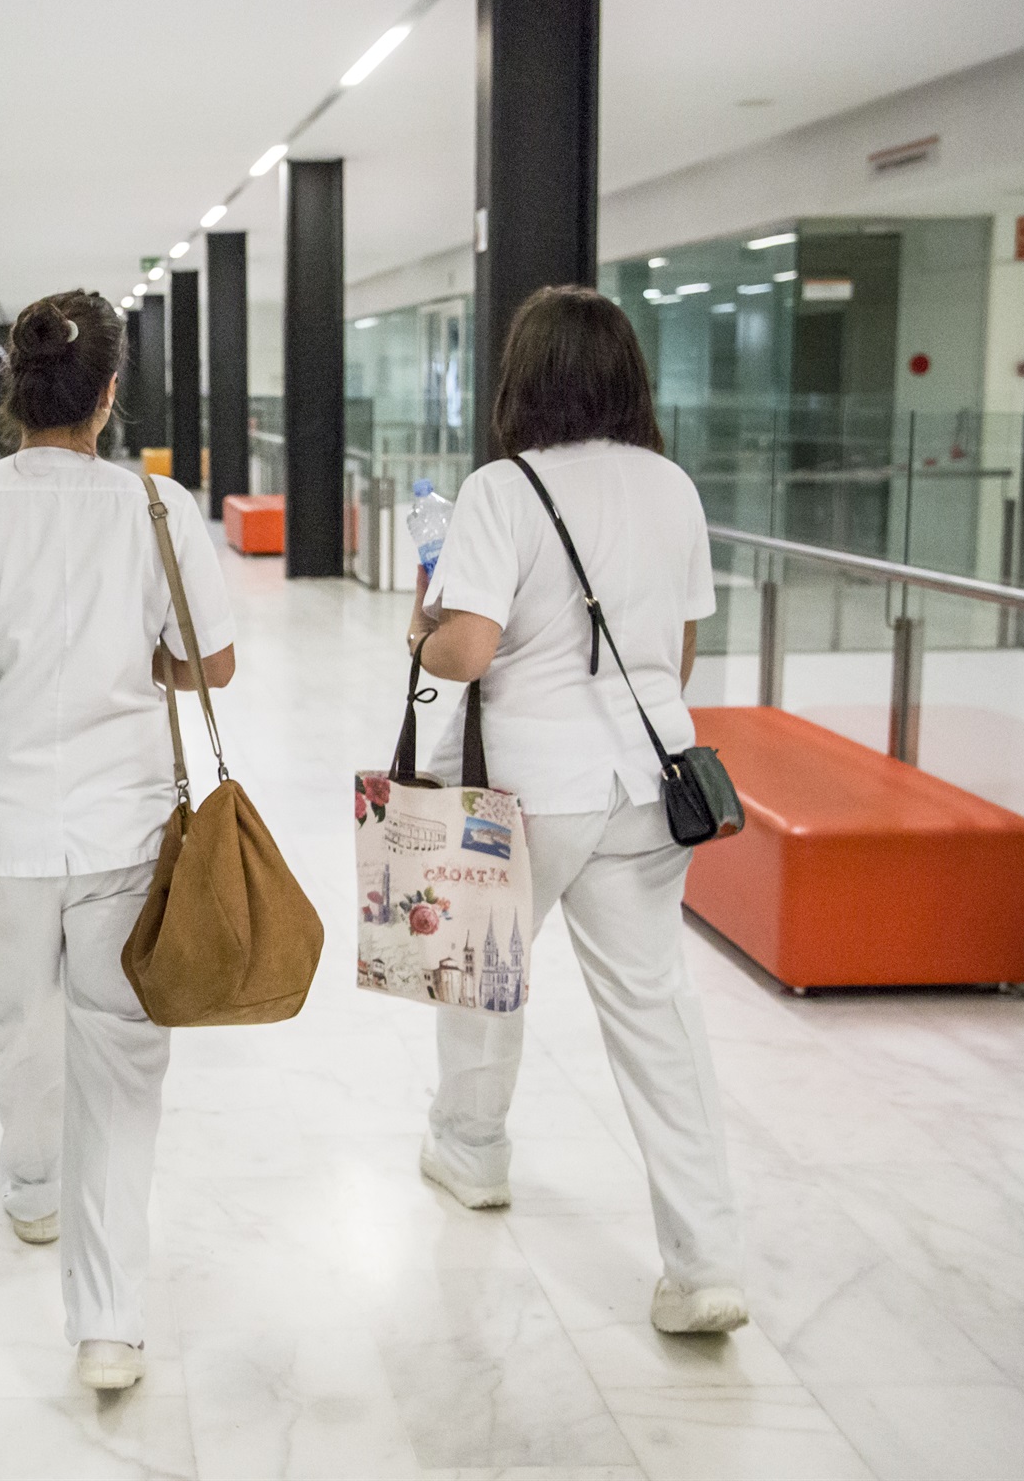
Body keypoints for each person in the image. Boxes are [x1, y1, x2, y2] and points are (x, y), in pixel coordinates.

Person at [0, 289, 236, 1392]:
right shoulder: (156, 509)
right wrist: (139, 662)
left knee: (22, 1015)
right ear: (110, 395)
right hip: (123, 825)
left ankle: (30, 1186)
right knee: (121, 1053)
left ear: (11, 396)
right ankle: (110, 1321)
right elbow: (211, 665)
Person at [407, 285, 747, 1335]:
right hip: (649, 781)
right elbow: (676, 653)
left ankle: (472, 1152)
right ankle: (704, 1262)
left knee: (481, 972)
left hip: (526, 784)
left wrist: (415, 631)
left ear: (524, 378)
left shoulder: (501, 490)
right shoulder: (672, 487)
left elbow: (465, 650)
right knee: (657, 1013)